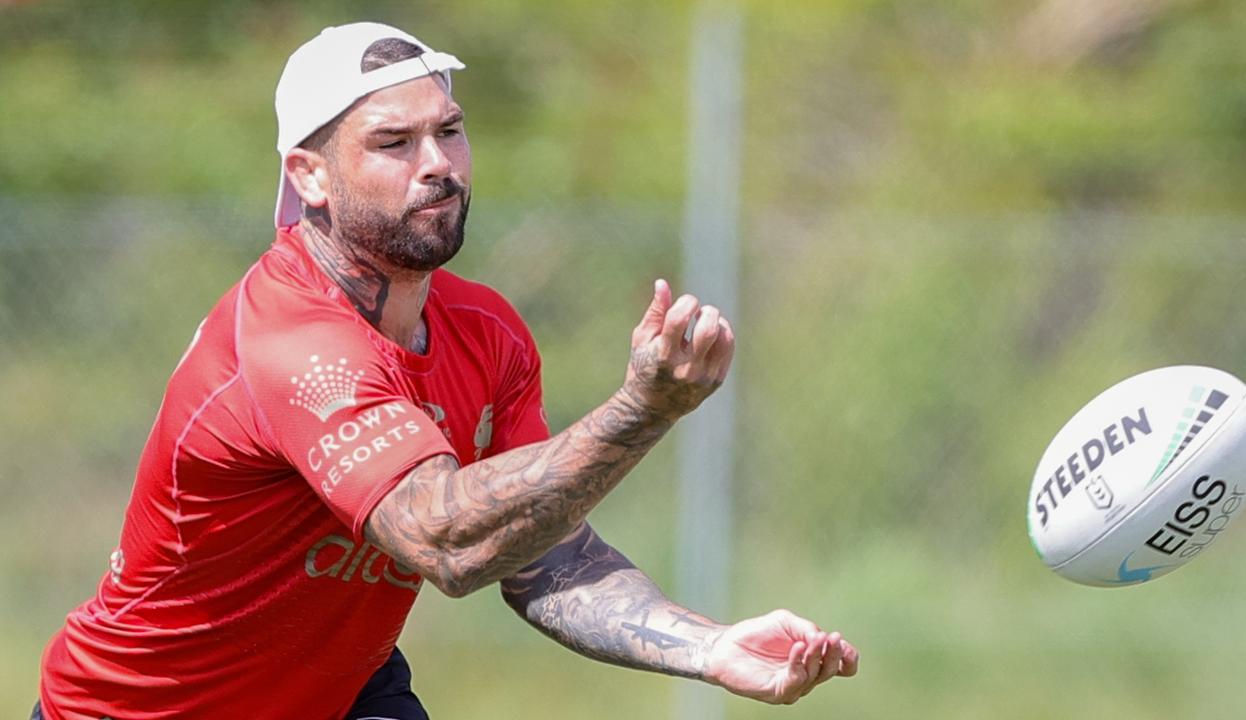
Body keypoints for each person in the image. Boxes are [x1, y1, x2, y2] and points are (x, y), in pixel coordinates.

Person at [34, 21, 857, 719]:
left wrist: (709, 647)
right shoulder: (293, 338)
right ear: (309, 175)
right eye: (393, 142)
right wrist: (642, 409)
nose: (439, 164)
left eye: (450, 130)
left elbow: (544, 556)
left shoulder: (485, 331)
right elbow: (444, 539)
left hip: (343, 696)